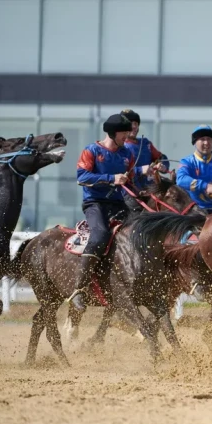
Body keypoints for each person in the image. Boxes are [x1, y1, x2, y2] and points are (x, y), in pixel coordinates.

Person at [69, 114, 135, 311]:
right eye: (125, 133)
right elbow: (82, 177)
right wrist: (111, 178)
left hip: (118, 203)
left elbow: (129, 181)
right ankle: (79, 289)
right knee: (100, 236)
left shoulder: (127, 155)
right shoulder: (92, 150)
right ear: (114, 133)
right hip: (95, 203)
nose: (128, 136)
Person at [120, 109, 169, 190]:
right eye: (130, 123)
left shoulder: (146, 143)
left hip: (151, 188)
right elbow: (118, 170)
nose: (134, 126)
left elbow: (161, 157)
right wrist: (140, 170)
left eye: (136, 123)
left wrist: (162, 166)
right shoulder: (118, 146)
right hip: (130, 191)